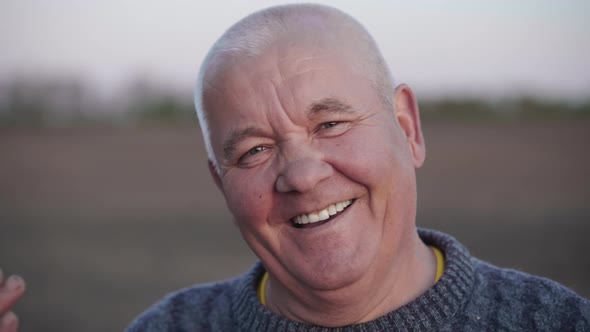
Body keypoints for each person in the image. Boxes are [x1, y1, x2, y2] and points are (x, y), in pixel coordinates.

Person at [126, 4, 590, 331]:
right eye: (254, 151)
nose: (302, 176)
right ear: (220, 184)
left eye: (330, 123)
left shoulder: (556, 321)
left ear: (407, 129)